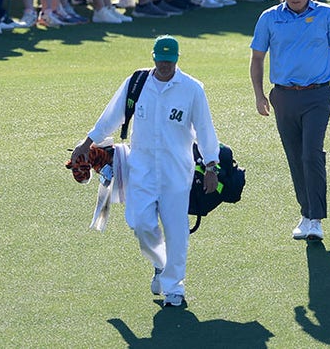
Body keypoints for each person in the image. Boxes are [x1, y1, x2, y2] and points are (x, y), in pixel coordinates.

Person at [69, 35, 221, 309]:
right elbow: (110, 117)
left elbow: (205, 131)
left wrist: (211, 165)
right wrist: (86, 142)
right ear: (153, 58)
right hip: (141, 169)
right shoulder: (136, 83)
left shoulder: (192, 89)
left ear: (177, 60)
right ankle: (160, 264)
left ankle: (174, 288)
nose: (164, 66)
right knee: (140, 223)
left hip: (177, 173)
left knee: (176, 231)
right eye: (160, 60)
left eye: (169, 61)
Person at [250, 0, 330, 241]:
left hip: (317, 96)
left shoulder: (328, 15)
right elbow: (257, 59)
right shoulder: (269, 19)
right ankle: (305, 213)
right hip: (283, 96)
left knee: (310, 154)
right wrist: (258, 94)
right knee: (295, 157)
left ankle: (315, 219)